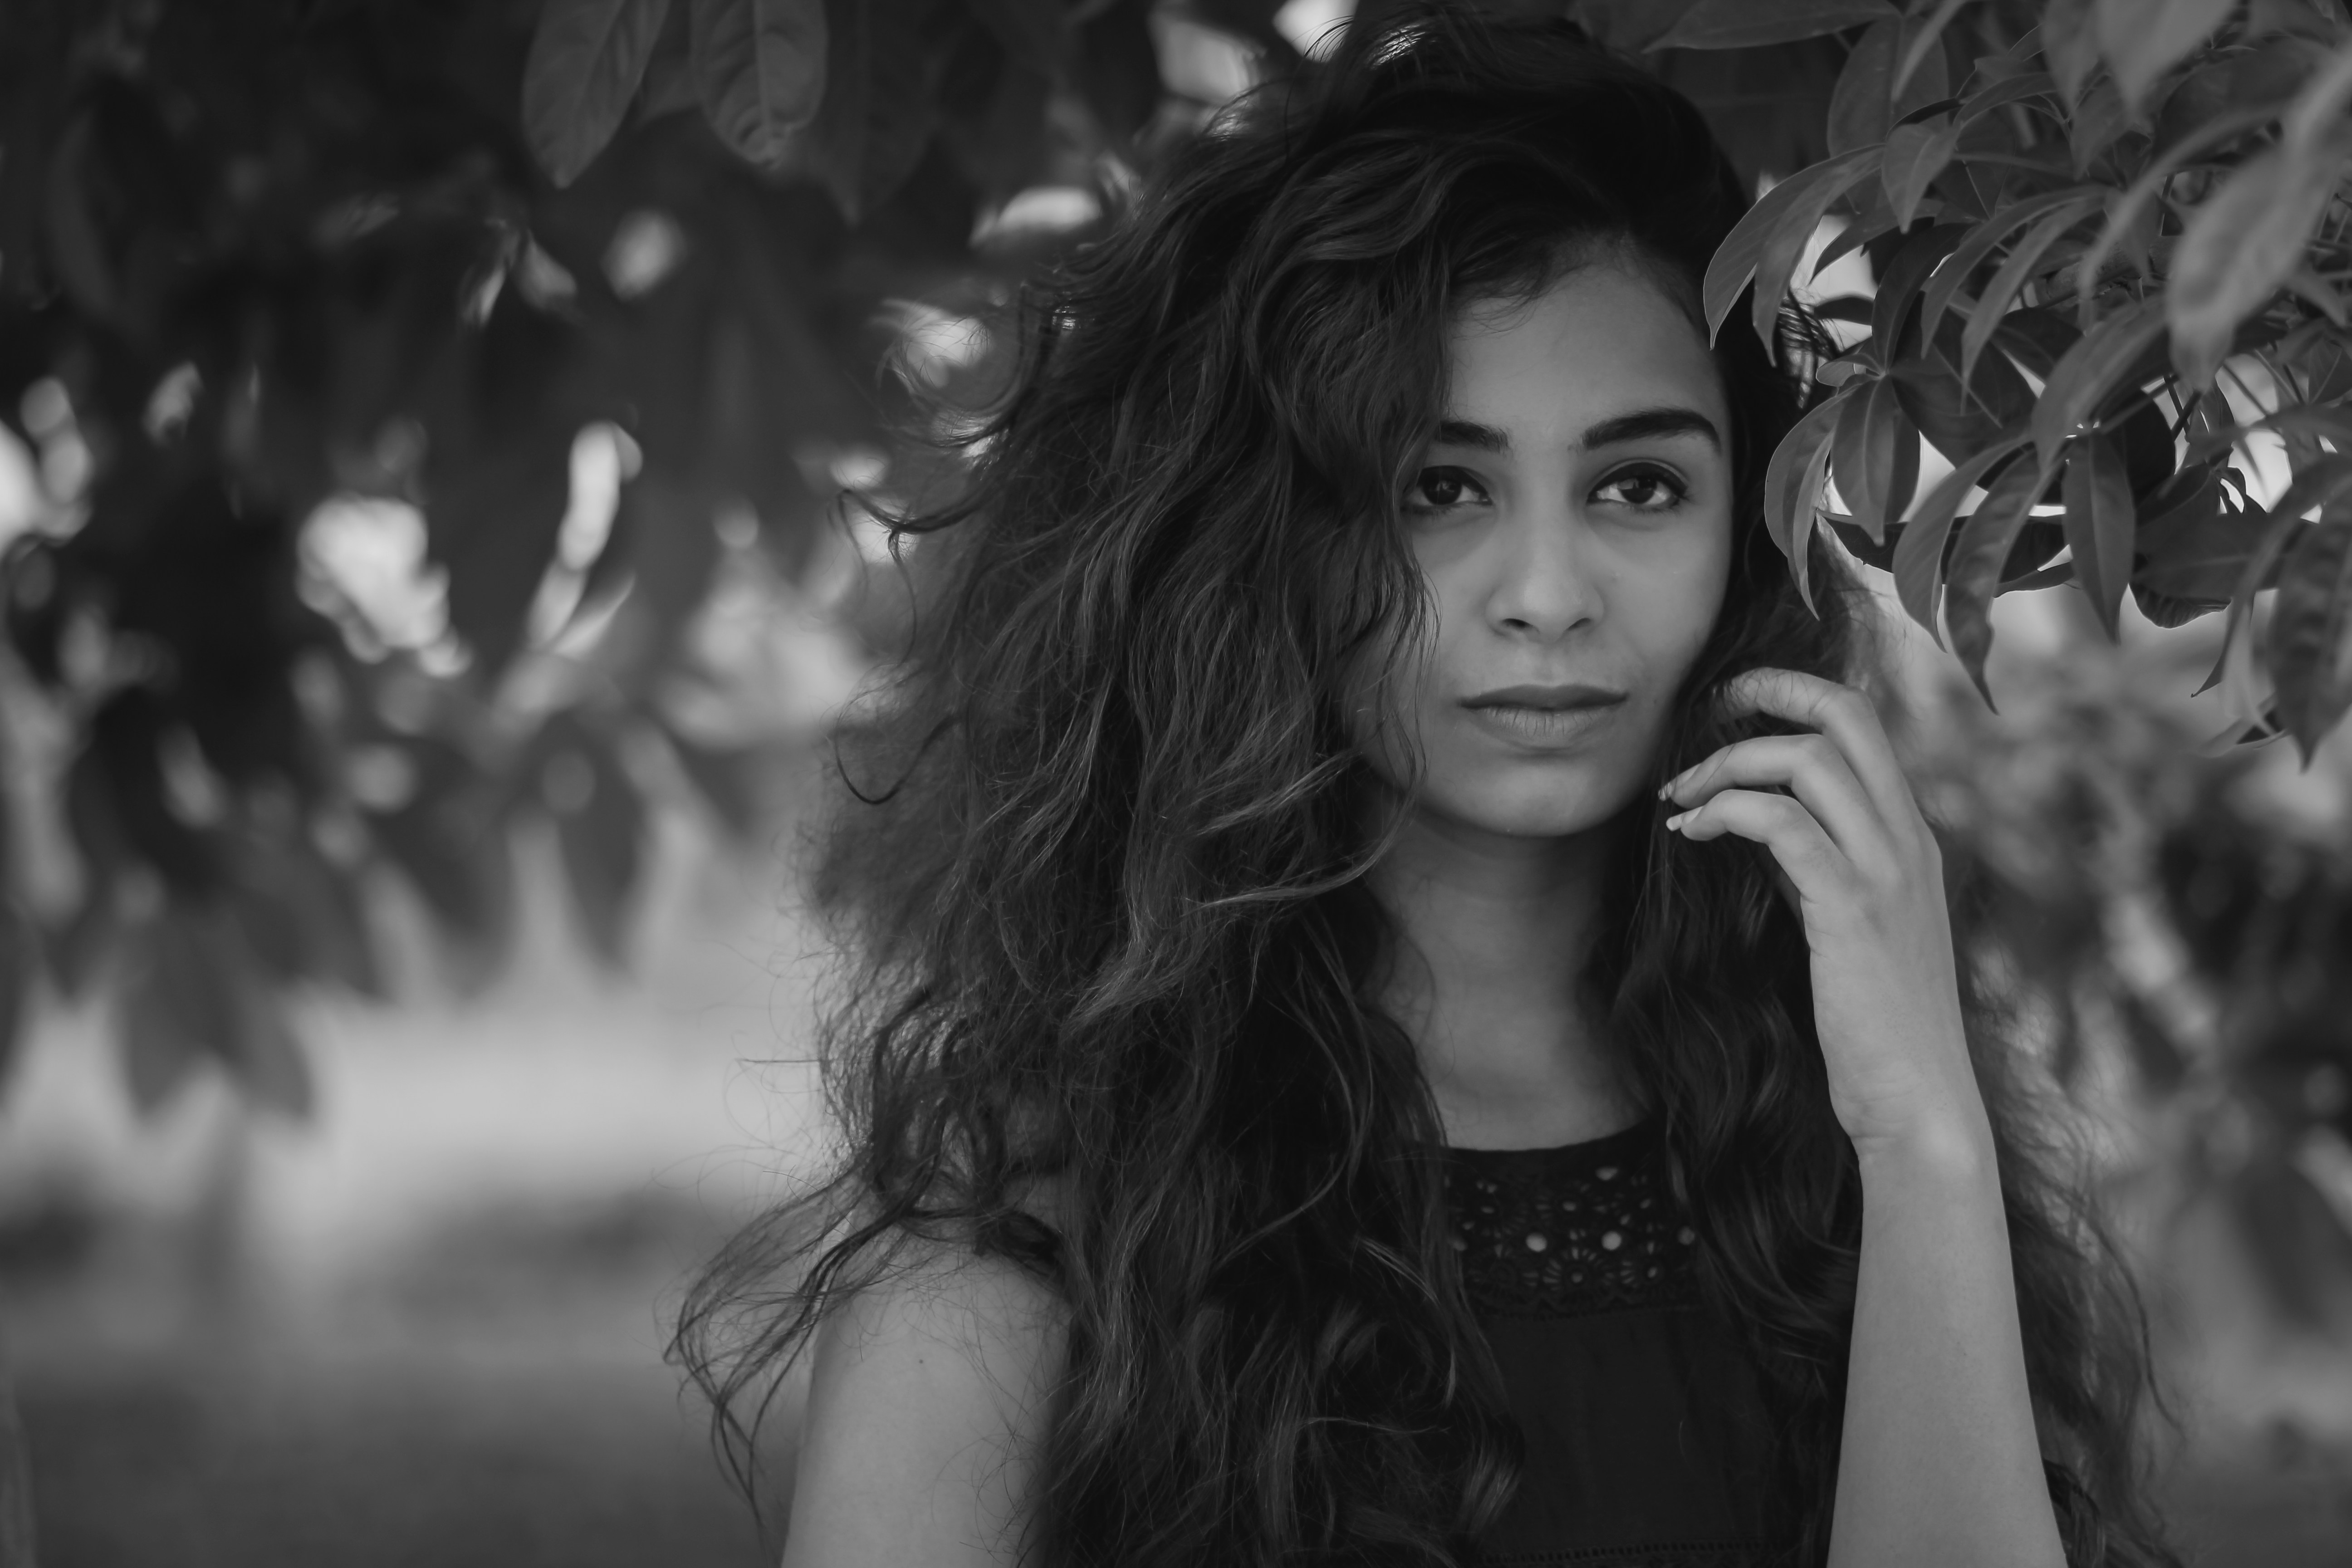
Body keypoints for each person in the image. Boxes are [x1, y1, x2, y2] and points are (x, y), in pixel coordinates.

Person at [674, 9, 2181, 1566]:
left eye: (1638, 484)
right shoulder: (1025, 1262)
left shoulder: (1834, 1160)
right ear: (1262, 549)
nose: (1546, 590)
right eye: (1436, 487)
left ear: (1748, 534)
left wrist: (1923, 1130)